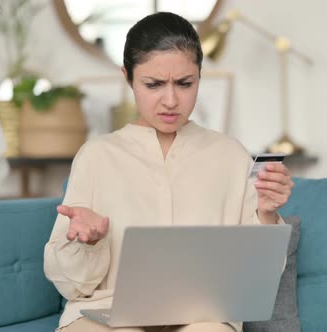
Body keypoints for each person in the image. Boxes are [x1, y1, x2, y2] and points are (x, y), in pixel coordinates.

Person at [43, 11, 294, 332]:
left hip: (201, 315)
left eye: (185, 83)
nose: (171, 100)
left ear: (200, 77)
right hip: (106, 311)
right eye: (154, 84)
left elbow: (258, 278)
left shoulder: (230, 154)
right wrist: (86, 243)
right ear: (127, 77)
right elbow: (70, 286)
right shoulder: (96, 156)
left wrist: (266, 213)